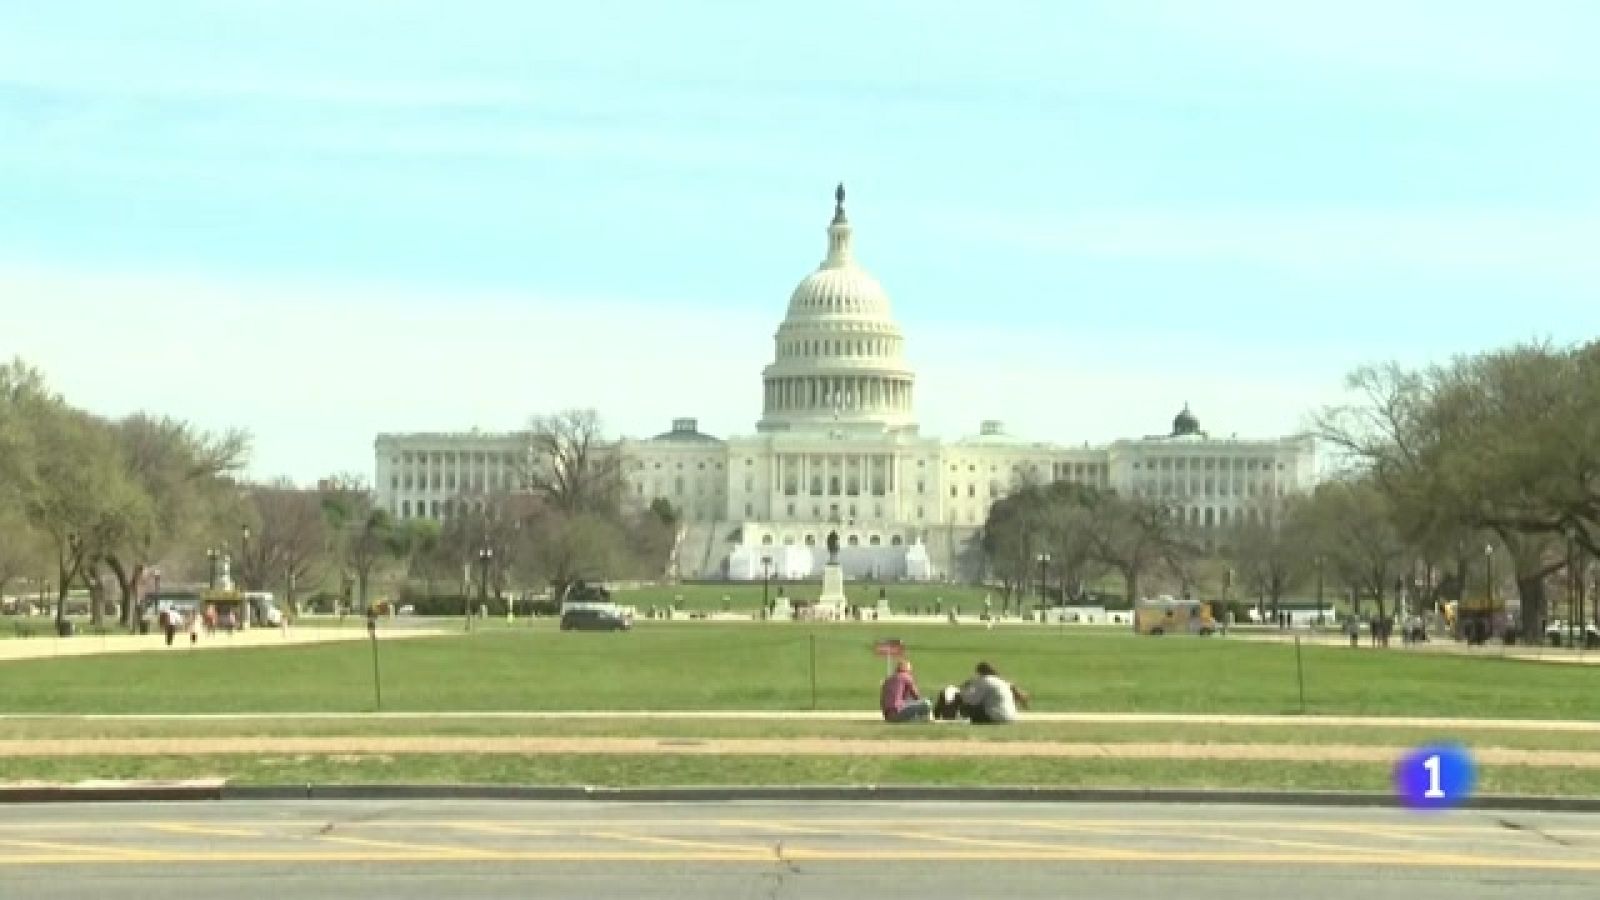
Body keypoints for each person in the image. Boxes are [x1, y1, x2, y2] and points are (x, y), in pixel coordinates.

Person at [958, 661, 1028, 724]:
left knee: (965, 707)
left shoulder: (984, 681)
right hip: (1012, 717)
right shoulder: (1001, 681)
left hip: (996, 717)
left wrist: (963, 690)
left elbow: (972, 701)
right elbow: (1013, 688)